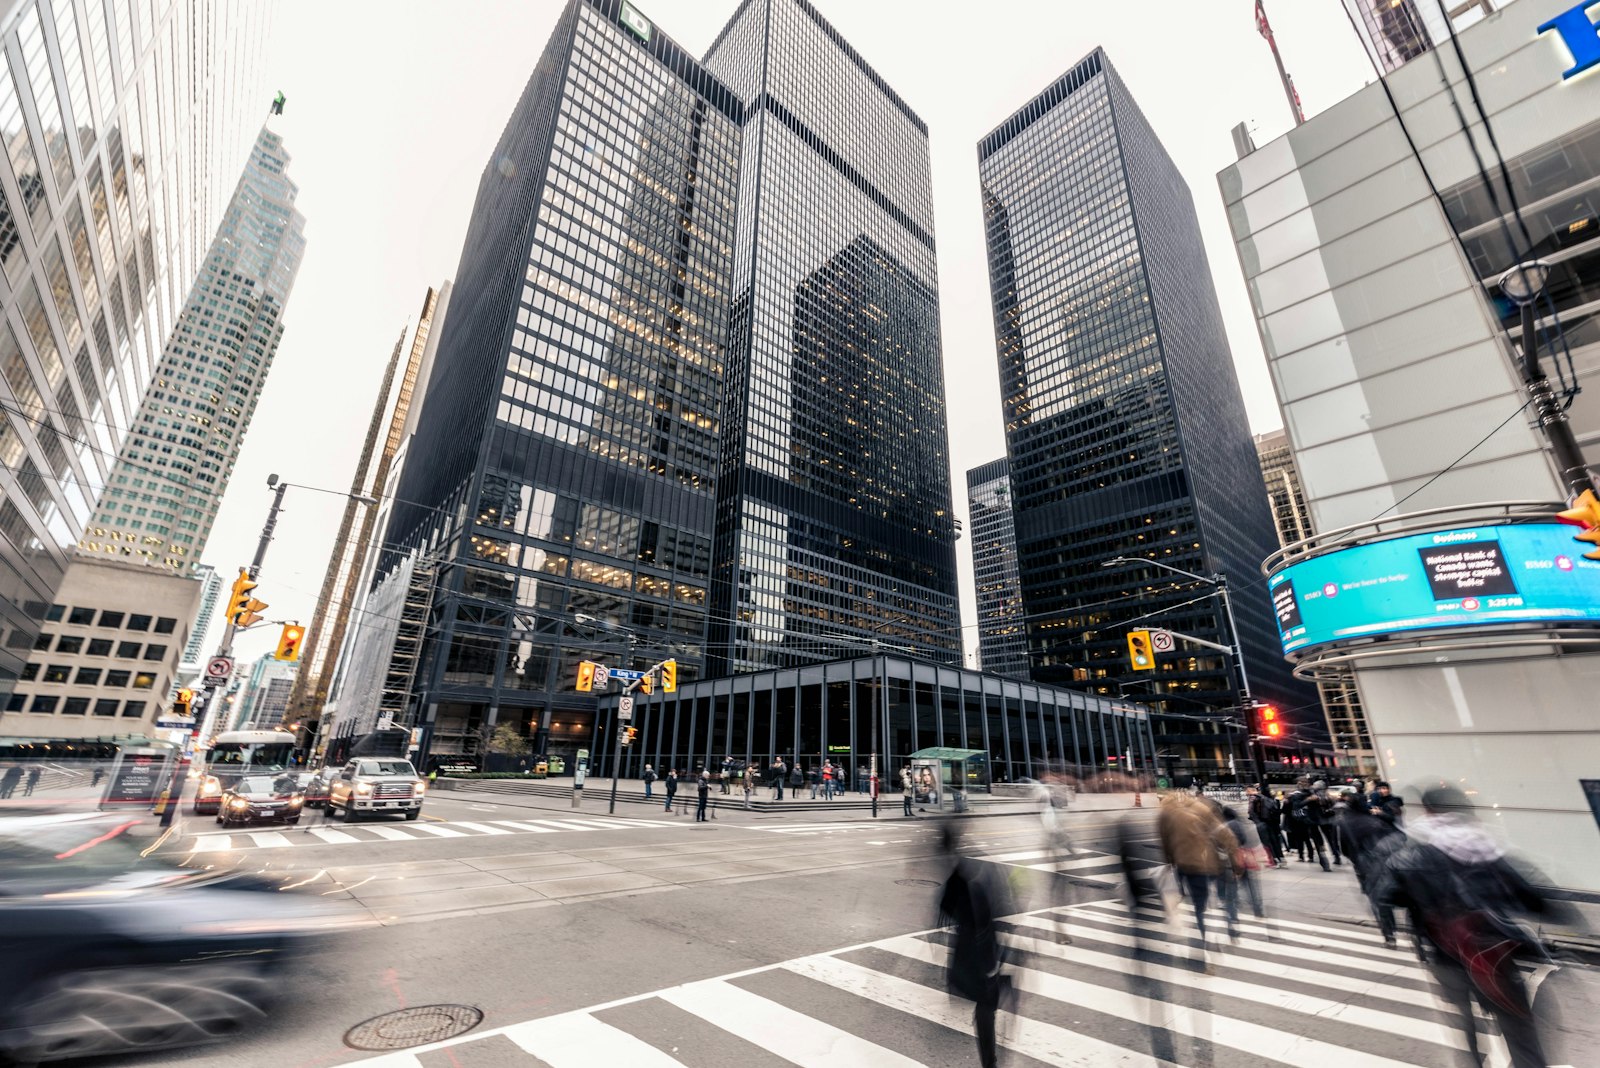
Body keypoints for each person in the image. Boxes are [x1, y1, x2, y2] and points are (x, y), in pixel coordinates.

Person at [1376, 784, 1552, 1067]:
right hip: (1493, 955)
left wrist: (1419, 897)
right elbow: (1531, 897)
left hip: (1444, 954)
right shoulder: (1485, 845)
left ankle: (1473, 1061)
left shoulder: (1410, 852)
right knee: (1518, 1029)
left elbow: (1386, 895)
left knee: (1463, 1021)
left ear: (1428, 811)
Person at [937, 823, 1012, 1068]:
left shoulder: (962, 873)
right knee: (986, 1002)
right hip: (983, 945)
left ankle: (989, 1062)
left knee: (985, 1003)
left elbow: (948, 910)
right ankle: (989, 1061)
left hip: (978, 947)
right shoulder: (969, 869)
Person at [1157, 793, 1237, 955]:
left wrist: (1170, 862)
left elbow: (1165, 841)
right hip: (1210, 863)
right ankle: (1229, 926)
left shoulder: (1166, 814)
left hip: (1185, 865)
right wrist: (1235, 859)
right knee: (1221, 896)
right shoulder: (1202, 808)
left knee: (1199, 906)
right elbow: (1224, 834)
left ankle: (1204, 937)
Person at [1337, 791, 1406, 949]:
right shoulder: (1374, 820)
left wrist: (1356, 859)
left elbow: (1344, 849)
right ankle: (1392, 924)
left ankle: (1388, 934)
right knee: (1387, 893)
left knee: (1375, 897)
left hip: (1362, 866)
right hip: (1383, 862)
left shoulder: (1344, 822)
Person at [1285, 778, 1331, 871]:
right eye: (1301, 783)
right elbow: (1297, 805)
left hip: (1321, 819)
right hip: (1310, 821)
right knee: (1317, 840)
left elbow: (1324, 800)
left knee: (1326, 838)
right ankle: (1323, 860)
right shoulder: (1298, 795)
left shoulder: (1314, 791)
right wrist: (1309, 799)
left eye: (1305, 782)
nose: (1303, 784)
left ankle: (1326, 852)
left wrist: (1322, 799)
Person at [1247, 784, 1285, 868]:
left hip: (1262, 823)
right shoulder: (1269, 797)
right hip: (1271, 823)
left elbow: (1250, 811)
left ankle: (1273, 861)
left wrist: (1257, 822)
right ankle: (1281, 859)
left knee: (1266, 843)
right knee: (1275, 841)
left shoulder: (1254, 798)